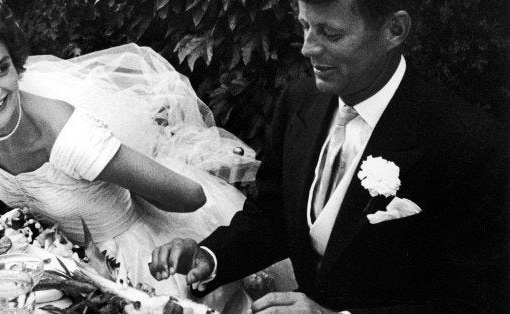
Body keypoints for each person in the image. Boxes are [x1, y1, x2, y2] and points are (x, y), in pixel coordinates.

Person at [0, 0, 295, 310]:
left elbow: (191, 196)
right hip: (65, 266)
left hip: (138, 268)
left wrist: (120, 181)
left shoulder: (67, 136)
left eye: (1, 69)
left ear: (16, 62)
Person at [150, 0, 507, 312]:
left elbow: (478, 303)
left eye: (330, 34)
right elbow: (275, 215)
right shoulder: (298, 101)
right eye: (304, 26)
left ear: (394, 30)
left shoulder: (469, 143)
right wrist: (211, 257)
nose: (307, 48)